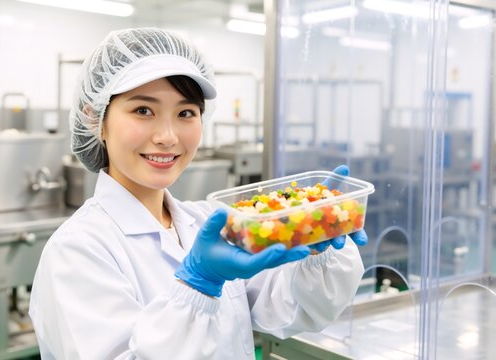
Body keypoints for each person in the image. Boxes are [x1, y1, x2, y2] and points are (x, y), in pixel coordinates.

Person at [29, 27, 367, 360]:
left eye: (186, 113)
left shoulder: (207, 223)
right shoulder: (77, 251)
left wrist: (316, 248)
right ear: (97, 120)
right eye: (143, 110)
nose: (167, 136)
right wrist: (197, 286)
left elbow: (291, 311)